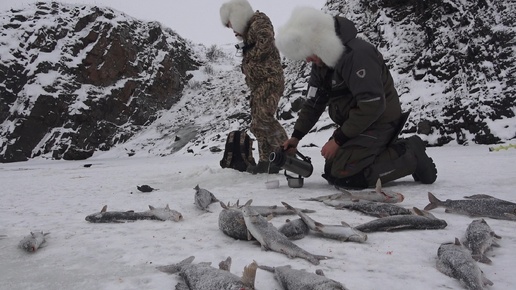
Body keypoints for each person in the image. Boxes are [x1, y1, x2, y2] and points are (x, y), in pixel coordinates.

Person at [275, 7, 437, 189]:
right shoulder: (321, 64)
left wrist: (338, 140)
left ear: (319, 42)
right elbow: (314, 103)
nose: (307, 61)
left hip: (379, 121)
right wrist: (296, 137)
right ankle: (381, 152)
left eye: (308, 54)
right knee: (332, 169)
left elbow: (372, 106)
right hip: (357, 124)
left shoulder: (358, 55)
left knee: (347, 175)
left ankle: (410, 155)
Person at [220, 0, 288, 174]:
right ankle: (266, 161)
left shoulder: (259, 21)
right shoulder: (248, 32)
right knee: (257, 124)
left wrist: (248, 59)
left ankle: (288, 154)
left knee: (263, 118)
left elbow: (264, 45)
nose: (233, 31)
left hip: (270, 80)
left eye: (231, 25)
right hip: (258, 85)